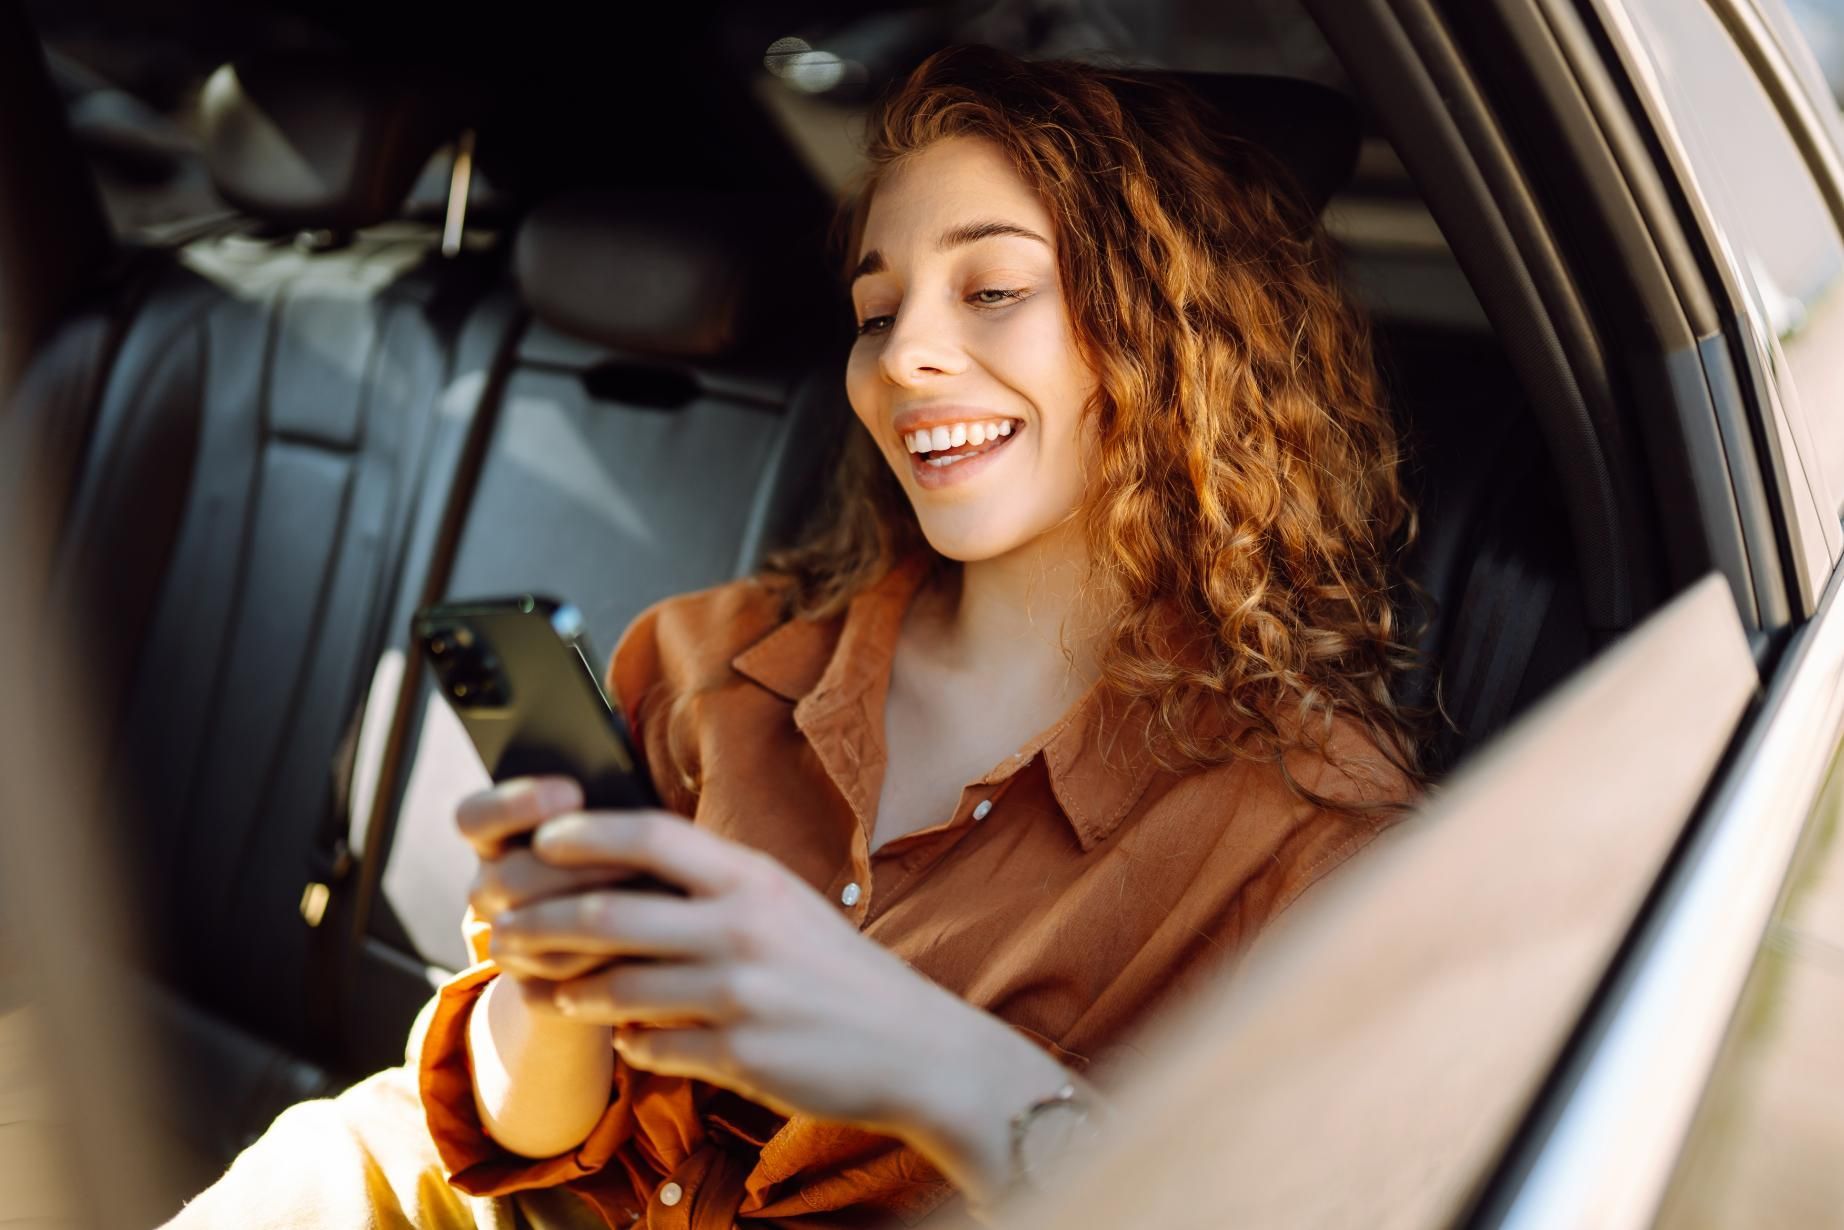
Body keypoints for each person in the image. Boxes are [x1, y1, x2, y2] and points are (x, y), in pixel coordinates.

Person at [165, 42, 1424, 1230]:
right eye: (876, 313)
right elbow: (505, 1134)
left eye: (990, 290)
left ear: (1174, 335)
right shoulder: (720, 657)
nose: (905, 357)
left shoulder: (1310, 844)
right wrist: (558, 997)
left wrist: (936, 1064)